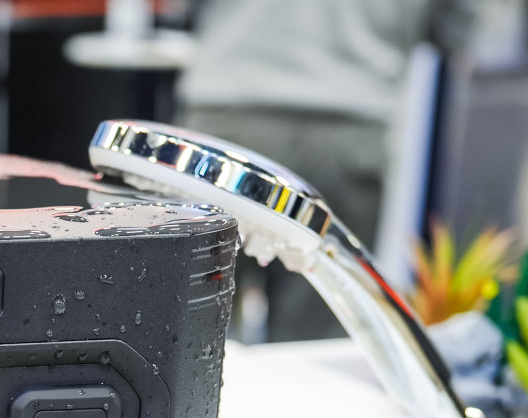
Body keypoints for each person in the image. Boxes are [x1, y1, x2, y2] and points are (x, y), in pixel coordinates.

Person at [176, 0, 479, 341]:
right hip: (346, 123)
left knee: (186, 330)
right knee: (312, 341)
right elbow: (454, 29)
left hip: (228, 113)